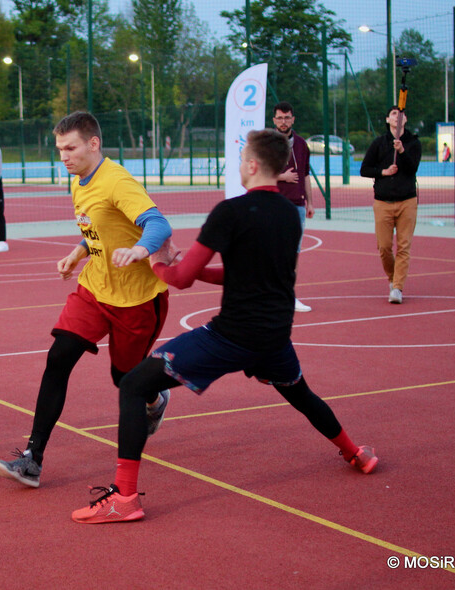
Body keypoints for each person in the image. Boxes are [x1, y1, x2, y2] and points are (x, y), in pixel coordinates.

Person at [70, 129, 378, 524]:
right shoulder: (289, 214)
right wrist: (188, 272)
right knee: (301, 394)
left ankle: (125, 498)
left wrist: (158, 263)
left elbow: (178, 278)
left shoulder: (230, 212)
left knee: (133, 384)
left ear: (251, 165)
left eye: (240, 159)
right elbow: (245, 273)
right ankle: (356, 452)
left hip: (231, 336)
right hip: (274, 335)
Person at [0, 111, 173, 489]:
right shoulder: (77, 182)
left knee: (123, 378)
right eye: (59, 150)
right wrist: (77, 253)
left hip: (136, 300)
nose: (64, 157)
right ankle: (31, 458)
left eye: (70, 148)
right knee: (58, 357)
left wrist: (141, 249)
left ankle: (156, 399)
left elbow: (158, 224)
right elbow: (96, 230)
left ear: (93, 144)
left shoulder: (117, 181)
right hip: (94, 289)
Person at [360, 106, 422, 305]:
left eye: (401, 114)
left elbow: (412, 168)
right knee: (384, 247)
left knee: (404, 247)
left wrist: (402, 151)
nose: (397, 117)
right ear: (388, 119)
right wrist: (383, 172)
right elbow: (364, 169)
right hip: (383, 202)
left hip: (407, 201)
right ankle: (392, 277)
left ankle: (397, 287)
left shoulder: (413, 143)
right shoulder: (379, 143)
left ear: (405, 120)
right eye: (394, 114)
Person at [272, 101, 314, 313]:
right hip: (273, 204)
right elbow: (257, 173)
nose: (283, 121)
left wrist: (310, 202)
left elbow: (305, 174)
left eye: (287, 117)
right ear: (273, 120)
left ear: (293, 119)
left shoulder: (301, 144)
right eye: (279, 118)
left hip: (297, 205)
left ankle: (289, 296)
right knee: (272, 251)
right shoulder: (267, 143)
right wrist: (282, 176)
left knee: (293, 252)